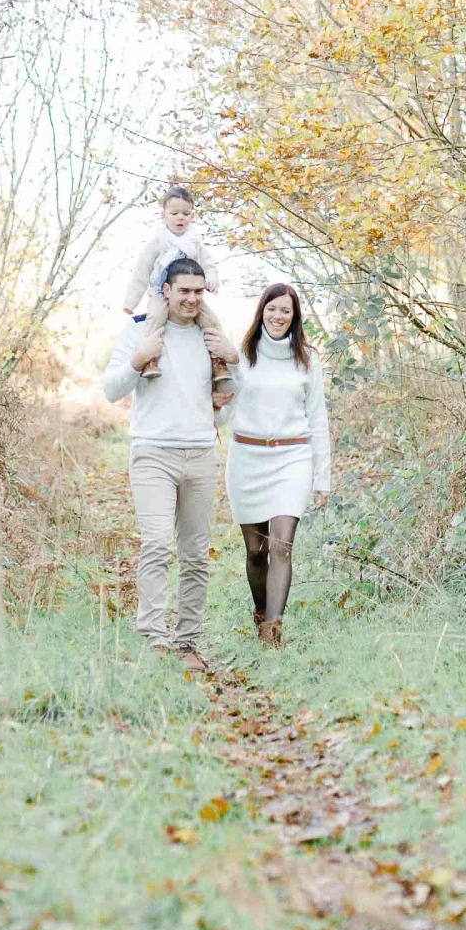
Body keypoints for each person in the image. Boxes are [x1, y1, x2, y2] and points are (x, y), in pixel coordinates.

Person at [104, 255, 240, 666]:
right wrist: (138, 358)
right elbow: (111, 390)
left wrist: (233, 358)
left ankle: (187, 642)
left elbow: (233, 403)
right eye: (184, 291)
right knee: (157, 544)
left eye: (199, 291)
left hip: (201, 454)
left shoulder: (211, 336)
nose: (192, 299)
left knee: (196, 554)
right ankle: (153, 637)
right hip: (152, 453)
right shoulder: (140, 331)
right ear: (166, 291)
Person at [226, 283, 330, 649]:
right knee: (255, 551)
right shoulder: (242, 356)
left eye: (286, 310)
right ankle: (260, 615)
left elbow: (318, 419)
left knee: (281, 546)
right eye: (272, 309)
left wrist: (323, 477)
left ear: (294, 316)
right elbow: (224, 408)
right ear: (262, 312)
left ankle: (274, 633)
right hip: (247, 459)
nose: (278, 316)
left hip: (292, 459)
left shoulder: (307, 359)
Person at [121, 185, 233, 407]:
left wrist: (211, 279)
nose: (180, 218)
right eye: (174, 213)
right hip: (159, 293)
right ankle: (151, 361)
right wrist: (130, 302)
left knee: (211, 321)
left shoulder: (195, 242)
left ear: (192, 215)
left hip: (188, 294)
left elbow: (209, 264)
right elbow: (141, 272)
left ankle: (218, 363)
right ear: (164, 215)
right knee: (154, 320)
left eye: (185, 213)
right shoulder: (158, 242)